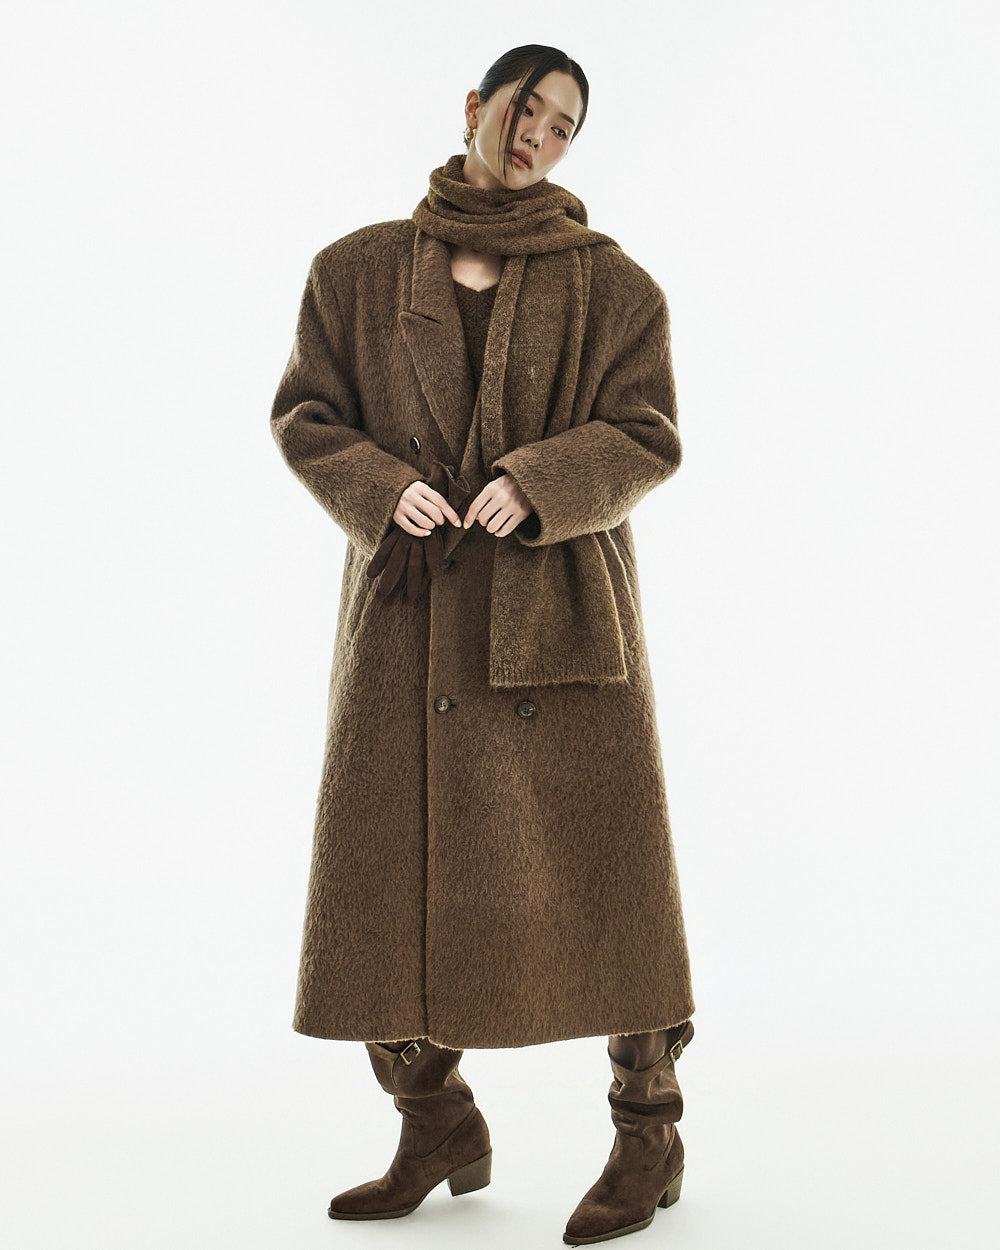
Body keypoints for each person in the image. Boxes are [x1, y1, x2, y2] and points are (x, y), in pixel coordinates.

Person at [270, 43, 697, 1245]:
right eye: (526, 109)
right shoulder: (353, 271)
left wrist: (539, 479)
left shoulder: (615, 286)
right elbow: (305, 415)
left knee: (611, 879)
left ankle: (648, 1128)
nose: (537, 139)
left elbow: (648, 434)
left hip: (561, 619)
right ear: (475, 104)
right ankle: (435, 1118)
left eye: (563, 127)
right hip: (408, 621)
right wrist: (376, 486)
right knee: (379, 881)